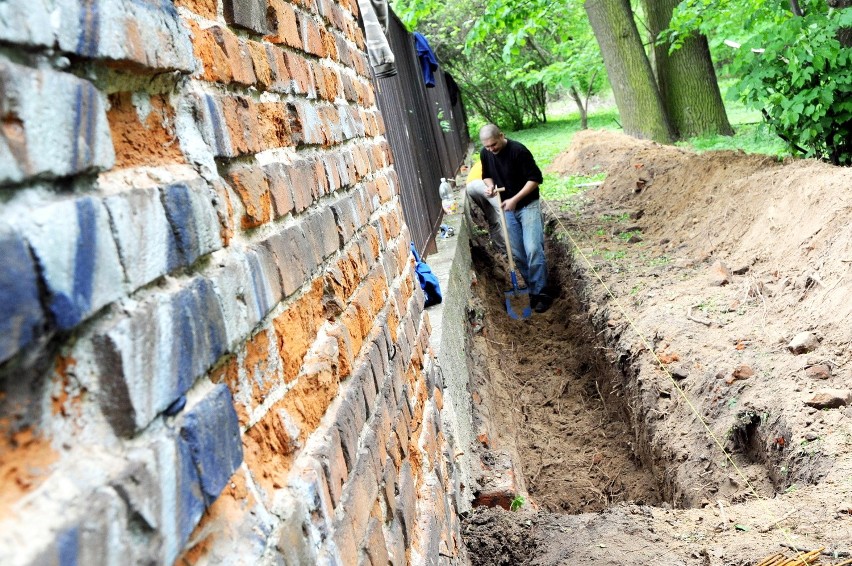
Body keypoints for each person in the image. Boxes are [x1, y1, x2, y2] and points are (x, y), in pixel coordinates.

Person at [472, 124, 552, 313]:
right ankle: (532, 290)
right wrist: (490, 187)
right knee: (518, 253)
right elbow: (487, 176)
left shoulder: (519, 151)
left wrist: (515, 199)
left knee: (533, 248)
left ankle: (542, 293)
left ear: (501, 136)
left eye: (493, 145)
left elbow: (535, 179)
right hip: (507, 208)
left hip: (527, 205)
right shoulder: (486, 153)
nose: (491, 149)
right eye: (487, 147)